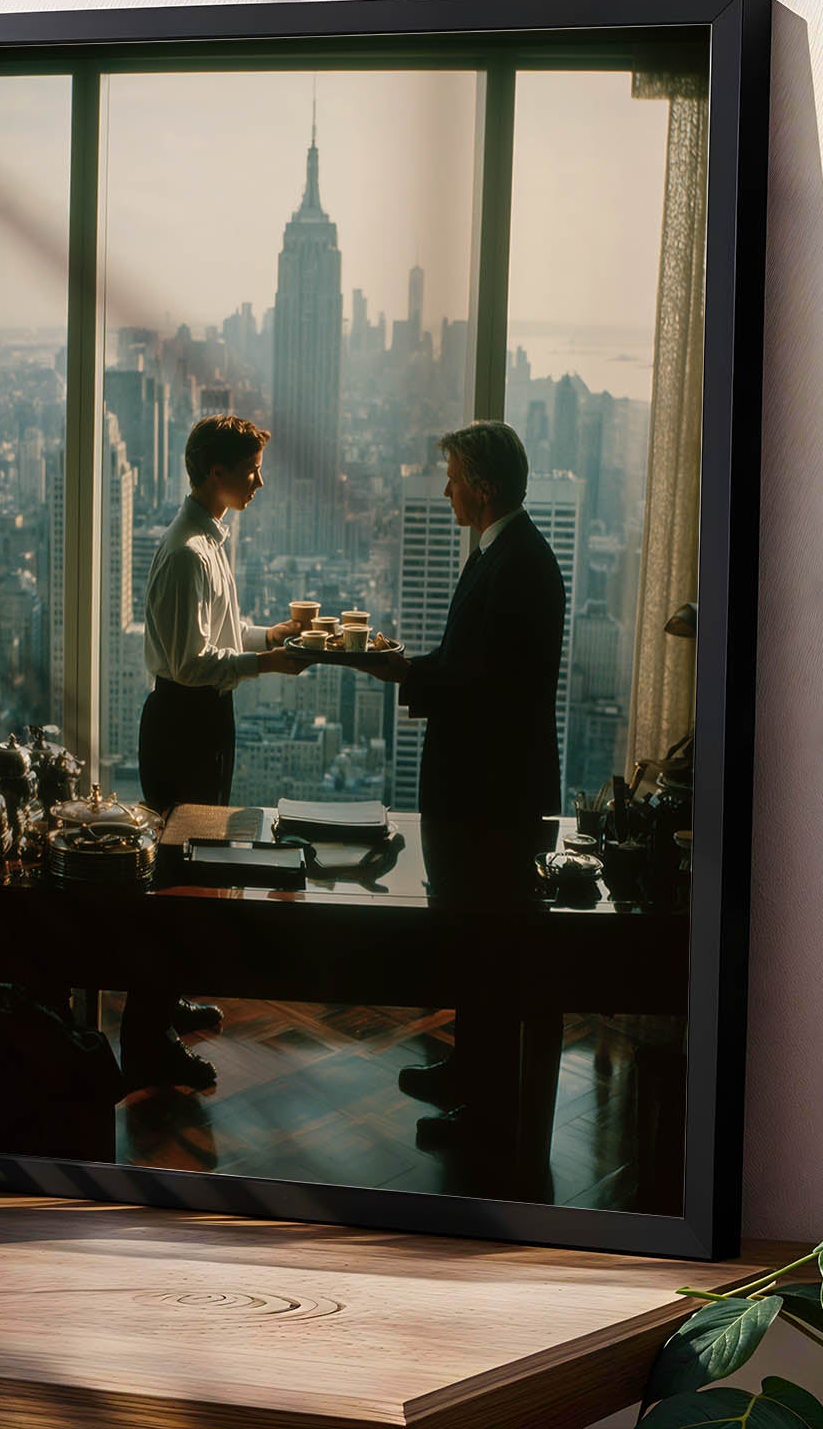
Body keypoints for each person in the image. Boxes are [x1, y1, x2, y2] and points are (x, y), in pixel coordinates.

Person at [368, 420, 565, 1169]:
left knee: (485, 945)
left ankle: (486, 1112)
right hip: (479, 789)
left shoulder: (516, 564)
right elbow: (469, 664)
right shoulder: (503, 552)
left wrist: (399, 673)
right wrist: (413, 665)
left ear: (479, 488)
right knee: (470, 938)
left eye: (451, 478)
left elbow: (483, 688)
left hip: (490, 795)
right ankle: (469, 1070)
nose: (445, 489)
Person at [128, 413, 306, 1089]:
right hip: (183, 725)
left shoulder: (210, 542)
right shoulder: (185, 553)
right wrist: (267, 667)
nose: (259, 482)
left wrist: (270, 640)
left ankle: (165, 1007)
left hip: (204, 719)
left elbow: (220, 638)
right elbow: (190, 663)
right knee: (175, 880)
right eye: (251, 469)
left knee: (190, 873)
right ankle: (147, 1042)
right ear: (216, 473)